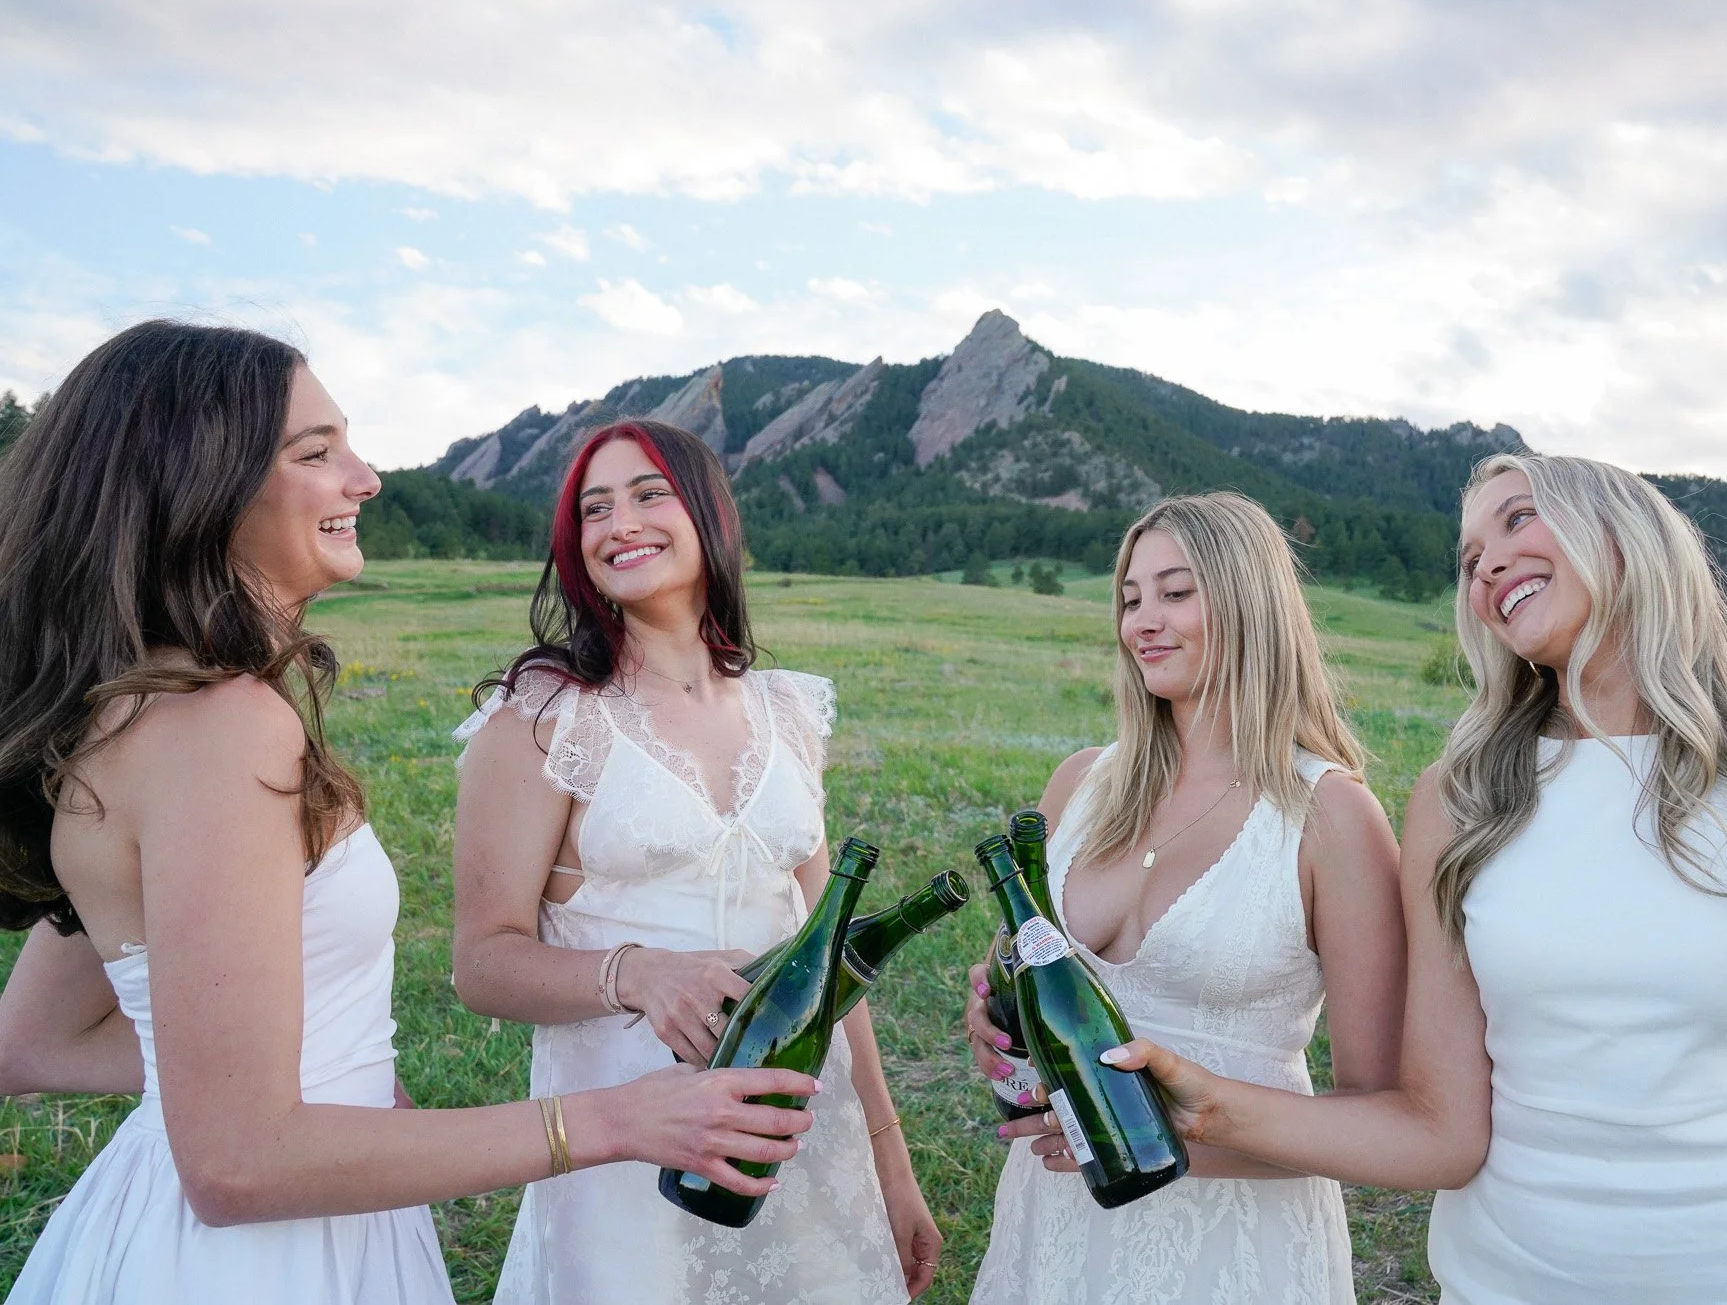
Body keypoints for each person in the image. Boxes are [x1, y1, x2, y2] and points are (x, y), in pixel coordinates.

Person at [0, 324, 818, 1305]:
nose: (367, 476)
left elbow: (33, 1041)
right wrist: (612, 1119)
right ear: (200, 485)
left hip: (261, 1216)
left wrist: (308, 1071)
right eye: (317, 452)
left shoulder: (148, 708)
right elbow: (239, 1164)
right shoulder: (219, 728)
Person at [1104, 454, 1727, 1303]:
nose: (1486, 567)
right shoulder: (1463, 800)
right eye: (1470, 559)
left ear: (1627, 536)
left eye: (1517, 519)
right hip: (1508, 1277)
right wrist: (1206, 1108)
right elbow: (1437, 1123)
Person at [451, 419, 940, 1304]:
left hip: (798, 1137)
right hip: (628, 1146)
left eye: (648, 494)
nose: (618, 523)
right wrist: (633, 974)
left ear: (711, 515)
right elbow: (481, 962)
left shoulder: (788, 712)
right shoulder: (542, 719)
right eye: (593, 508)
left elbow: (827, 955)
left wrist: (887, 1160)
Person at [962, 491, 1405, 1305]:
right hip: (1056, 1221)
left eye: (1176, 591)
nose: (1143, 622)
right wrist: (994, 1005)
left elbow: (1379, 1122)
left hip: (1232, 1240)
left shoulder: (1331, 817)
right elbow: (1032, 969)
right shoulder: (1080, 784)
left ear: (1248, 602)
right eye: (1131, 598)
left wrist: (1161, 1138)